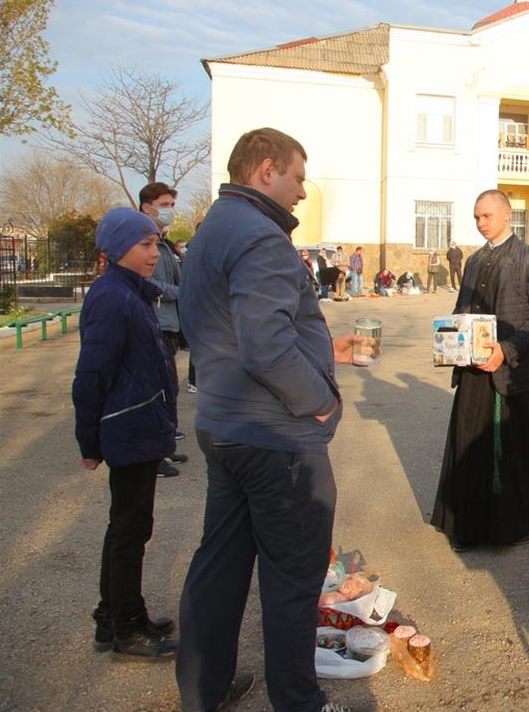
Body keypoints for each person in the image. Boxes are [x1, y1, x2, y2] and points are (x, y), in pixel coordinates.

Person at [176, 127, 369, 712]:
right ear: (265, 170)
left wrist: (323, 350)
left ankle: (204, 691)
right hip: (276, 437)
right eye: (297, 178)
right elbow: (265, 349)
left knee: (221, 564)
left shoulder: (213, 229)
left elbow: (231, 331)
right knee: (292, 579)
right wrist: (322, 401)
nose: (302, 193)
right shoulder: (260, 237)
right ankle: (299, 702)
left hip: (225, 426)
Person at [73, 206, 179, 659]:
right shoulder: (113, 297)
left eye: (155, 242)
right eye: (145, 244)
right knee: (129, 529)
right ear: (117, 249)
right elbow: (91, 375)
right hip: (128, 426)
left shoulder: (130, 292)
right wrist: (89, 441)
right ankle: (125, 628)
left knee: (130, 527)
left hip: (138, 425)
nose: (154, 252)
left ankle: (115, 617)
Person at [431, 189, 529, 551]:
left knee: (511, 451)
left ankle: (519, 525)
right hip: (473, 370)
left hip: (512, 372)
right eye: (476, 217)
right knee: (469, 445)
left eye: (486, 216)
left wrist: (507, 348)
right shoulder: (473, 261)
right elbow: (462, 308)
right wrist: (449, 339)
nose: (480, 223)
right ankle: (468, 527)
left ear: (506, 215)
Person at [139, 182, 188, 478]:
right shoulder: (146, 242)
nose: (170, 210)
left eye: (171, 204)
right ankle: (154, 456)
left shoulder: (164, 243)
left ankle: (164, 448)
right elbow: (151, 284)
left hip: (168, 324)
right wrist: (183, 292)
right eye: (165, 204)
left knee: (169, 389)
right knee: (157, 391)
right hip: (156, 323)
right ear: (148, 208)